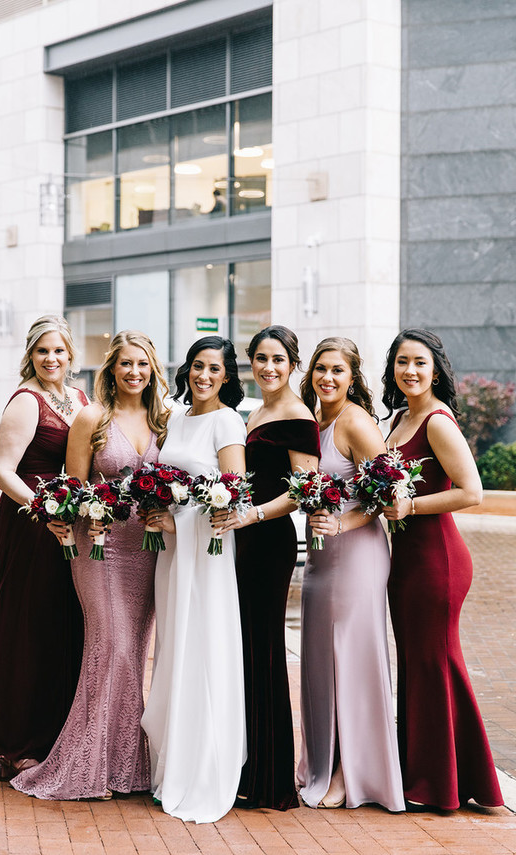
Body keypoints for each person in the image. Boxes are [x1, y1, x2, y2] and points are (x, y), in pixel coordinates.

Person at [11, 331, 169, 800]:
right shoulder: (91, 418)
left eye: (142, 364)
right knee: (113, 645)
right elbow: (74, 487)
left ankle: (125, 766)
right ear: (111, 369)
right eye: (125, 364)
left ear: (153, 370)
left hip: (148, 548)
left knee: (135, 651)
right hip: (99, 549)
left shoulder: (165, 421)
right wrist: (87, 515)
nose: (134, 372)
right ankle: (88, 766)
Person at [382, 328, 503, 811]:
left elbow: (472, 491)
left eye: (420, 362)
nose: (410, 370)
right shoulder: (396, 419)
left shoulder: (436, 421)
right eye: (401, 362)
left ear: (436, 369)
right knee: (418, 664)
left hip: (437, 559)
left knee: (435, 662)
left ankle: (441, 786)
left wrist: (409, 507)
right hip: (405, 559)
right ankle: (431, 774)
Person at [0, 316, 87, 779]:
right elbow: (1, 471)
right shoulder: (26, 400)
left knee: (61, 622)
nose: (51, 359)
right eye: (42, 352)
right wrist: (45, 507)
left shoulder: (79, 399)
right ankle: (16, 739)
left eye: (58, 351)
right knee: (27, 625)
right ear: (30, 356)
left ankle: (54, 730)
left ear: (71, 355)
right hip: (31, 523)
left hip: (70, 522)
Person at [141, 335, 247, 823]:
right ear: (187, 369)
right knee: (174, 647)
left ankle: (202, 765)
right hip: (171, 557)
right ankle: (169, 762)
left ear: (227, 377)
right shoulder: (176, 417)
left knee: (203, 646)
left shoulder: (227, 421)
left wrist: (176, 517)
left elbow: (232, 500)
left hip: (205, 555)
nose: (204, 376)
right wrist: (153, 509)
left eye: (215, 369)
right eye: (198, 367)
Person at [296, 337, 404, 812]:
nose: (328, 378)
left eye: (338, 370)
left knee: (351, 657)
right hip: (322, 558)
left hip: (357, 554)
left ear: (352, 376)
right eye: (321, 369)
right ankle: (322, 758)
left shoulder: (356, 422)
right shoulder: (312, 420)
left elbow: (389, 498)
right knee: (322, 659)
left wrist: (341, 521)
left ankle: (350, 771)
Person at [217, 325, 320, 810]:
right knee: (244, 650)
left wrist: (254, 514)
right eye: (260, 358)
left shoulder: (298, 415)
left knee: (263, 651)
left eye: (278, 359)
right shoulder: (256, 411)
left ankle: (270, 778)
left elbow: (305, 489)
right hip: (243, 537)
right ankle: (246, 764)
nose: (268, 367)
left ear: (292, 363)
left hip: (268, 541)